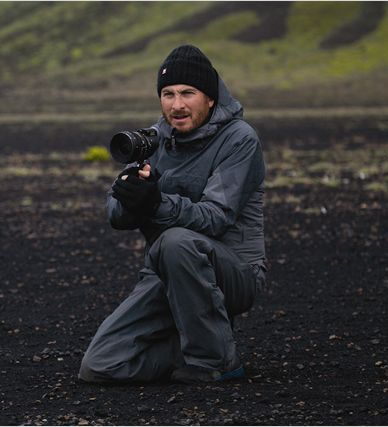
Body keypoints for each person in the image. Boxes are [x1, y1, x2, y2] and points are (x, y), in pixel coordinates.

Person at [78, 44, 267, 383]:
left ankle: (218, 361)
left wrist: (155, 204)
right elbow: (116, 215)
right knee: (100, 366)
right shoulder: (154, 140)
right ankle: (191, 338)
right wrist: (131, 199)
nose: (176, 105)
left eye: (187, 93)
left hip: (234, 272)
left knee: (176, 242)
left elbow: (216, 217)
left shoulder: (240, 139)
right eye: (168, 94)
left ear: (210, 98)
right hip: (167, 272)